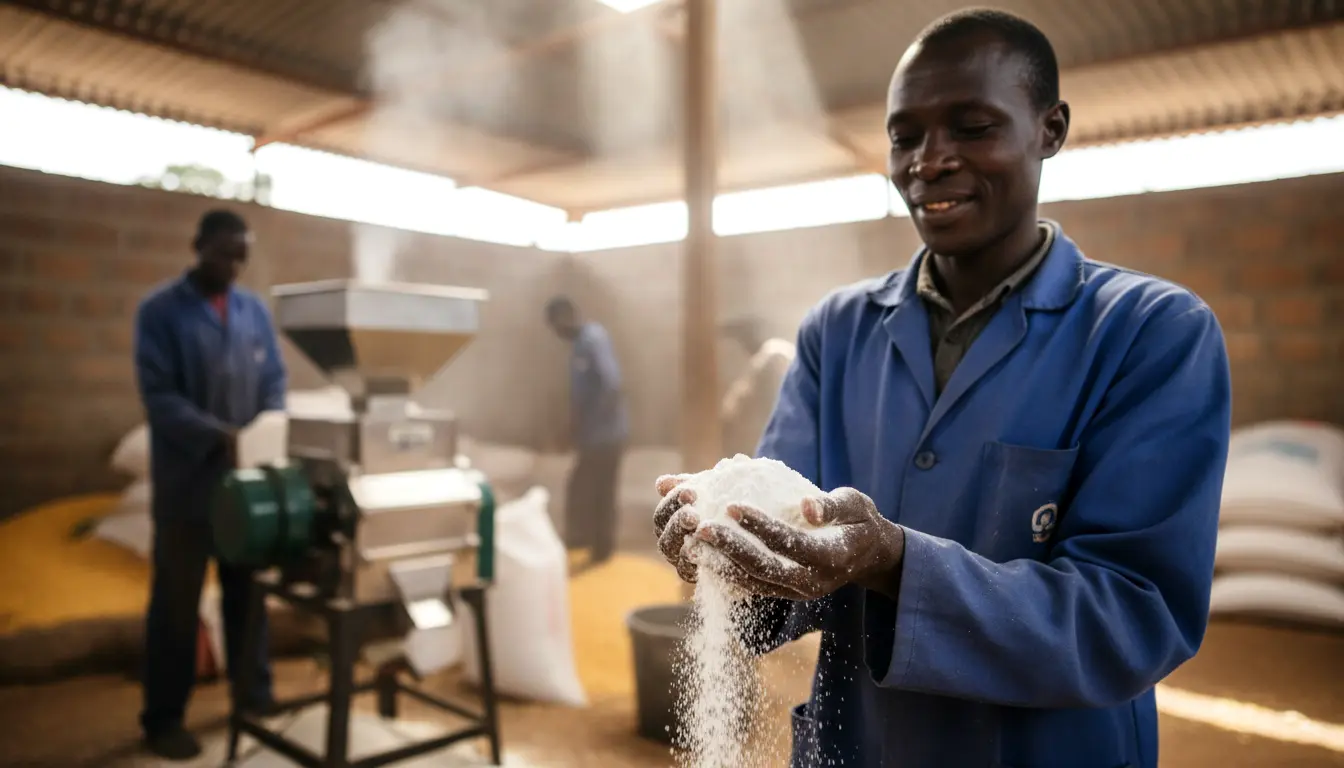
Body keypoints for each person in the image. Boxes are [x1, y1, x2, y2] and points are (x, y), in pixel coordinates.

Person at [653, 9, 1231, 768]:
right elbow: (789, 579)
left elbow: (1132, 615)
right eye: (905, 136)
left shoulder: (1150, 334)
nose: (930, 160)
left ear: (1049, 129)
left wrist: (895, 559)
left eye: (972, 126)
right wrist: (729, 555)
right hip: (854, 745)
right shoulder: (840, 330)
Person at [134, 209, 287, 760]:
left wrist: (269, 425)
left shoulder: (252, 312)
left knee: (247, 597)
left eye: (242, 254)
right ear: (198, 246)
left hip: (244, 490)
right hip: (188, 486)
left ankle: (254, 696)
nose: (234, 265)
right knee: (176, 604)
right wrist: (216, 436)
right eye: (225, 252)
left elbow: (273, 379)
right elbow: (159, 397)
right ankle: (163, 718)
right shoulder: (161, 312)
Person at [546, 296, 629, 565]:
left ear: (566, 316)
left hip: (604, 434)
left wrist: (588, 423)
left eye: (556, 324)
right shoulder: (584, 344)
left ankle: (596, 546)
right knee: (591, 488)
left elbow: (610, 385)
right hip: (596, 434)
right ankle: (593, 544)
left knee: (595, 489)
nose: (557, 332)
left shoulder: (591, 340)